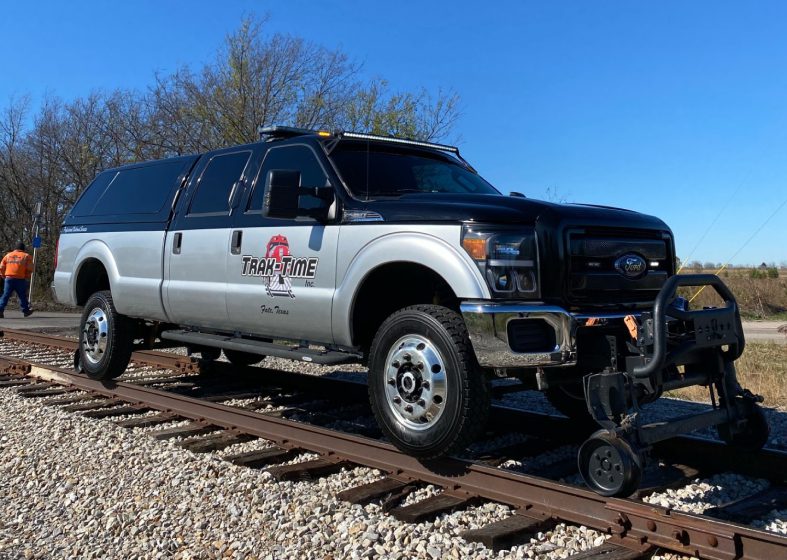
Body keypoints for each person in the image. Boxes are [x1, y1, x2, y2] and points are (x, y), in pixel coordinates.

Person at [0, 242, 34, 318]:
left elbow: (1, 267)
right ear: (23, 249)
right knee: (22, 295)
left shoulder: (8, 255)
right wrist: (26, 276)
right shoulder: (26, 256)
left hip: (9, 279)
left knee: (5, 295)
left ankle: (0, 310)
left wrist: (3, 276)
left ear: (15, 248)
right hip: (20, 279)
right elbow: (30, 268)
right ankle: (26, 311)